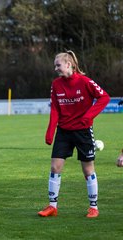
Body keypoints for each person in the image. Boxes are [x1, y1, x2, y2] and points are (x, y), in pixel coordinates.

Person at [38, 50, 110, 218]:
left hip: (83, 131)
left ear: (68, 64)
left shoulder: (85, 82)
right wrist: (50, 131)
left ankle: (93, 207)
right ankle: (52, 206)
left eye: (58, 65)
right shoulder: (56, 84)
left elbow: (104, 97)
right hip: (63, 132)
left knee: (87, 170)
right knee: (55, 167)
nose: (55, 68)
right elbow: (55, 108)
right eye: (55, 65)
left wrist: (88, 116)